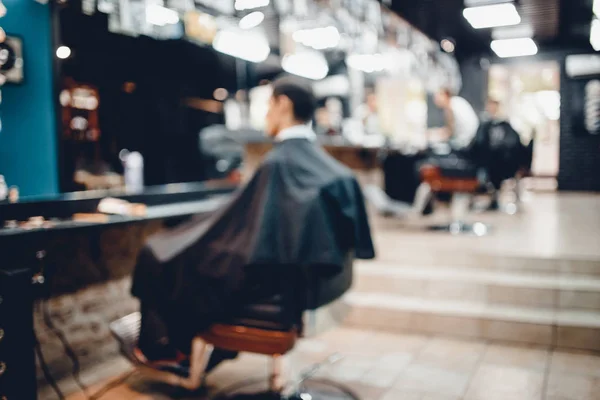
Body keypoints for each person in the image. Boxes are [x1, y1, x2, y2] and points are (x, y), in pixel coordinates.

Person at [131, 76, 375, 373]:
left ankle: (167, 349)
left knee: (158, 255)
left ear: (282, 104)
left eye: (267, 106)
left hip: (279, 291)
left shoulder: (279, 164)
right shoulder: (331, 170)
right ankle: (211, 352)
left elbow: (251, 236)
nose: (265, 115)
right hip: (311, 288)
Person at [471, 99, 524, 209]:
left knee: (494, 164)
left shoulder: (505, 125)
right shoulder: (485, 125)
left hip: (505, 161)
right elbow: (478, 143)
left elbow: (514, 143)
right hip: (488, 160)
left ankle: (493, 191)